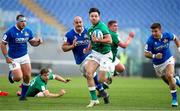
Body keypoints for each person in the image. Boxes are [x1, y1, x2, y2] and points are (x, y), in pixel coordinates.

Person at [61, 16, 109, 107]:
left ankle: (95, 99)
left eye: (80, 22)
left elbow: (96, 41)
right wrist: (72, 46)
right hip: (79, 61)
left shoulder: (89, 31)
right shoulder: (69, 35)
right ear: (73, 24)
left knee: (89, 73)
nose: (79, 24)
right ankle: (102, 90)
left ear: (82, 22)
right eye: (77, 22)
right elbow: (63, 47)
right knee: (90, 76)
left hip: (90, 57)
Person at [1, 14, 42, 100]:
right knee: (18, 78)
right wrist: (6, 57)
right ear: (17, 22)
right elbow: (3, 44)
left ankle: (23, 96)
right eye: (21, 21)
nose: (24, 23)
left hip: (24, 56)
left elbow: (32, 42)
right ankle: (11, 75)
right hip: (13, 58)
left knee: (27, 76)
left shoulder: (28, 31)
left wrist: (38, 42)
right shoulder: (10, 32)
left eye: (25, 21)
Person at [144, 23, 180, 107]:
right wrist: (154, 56)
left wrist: (179, 49)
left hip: (168, 60)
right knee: (170, 82)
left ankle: (174, 100)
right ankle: (177, 80)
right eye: (152, 31)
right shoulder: (150, 41)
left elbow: (175, 38)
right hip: (157, 65)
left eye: (155, 31)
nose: (153, 33)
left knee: (169, 75)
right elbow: (145, 53)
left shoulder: (167, 35)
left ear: (160, 30)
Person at [83, 7, 113, 107]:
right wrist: (88, 48)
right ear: (89, 17)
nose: (94, 17)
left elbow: (109, 40)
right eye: (92, 16)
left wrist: (99, 40)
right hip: (96, 54)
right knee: (88, 73)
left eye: (96, 16)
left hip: (105, 54)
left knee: (100, 80)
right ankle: (94, 99)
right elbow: (92, 41)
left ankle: (109, 75)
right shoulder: (90, 29)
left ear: (99, 17)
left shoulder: (102, 26)